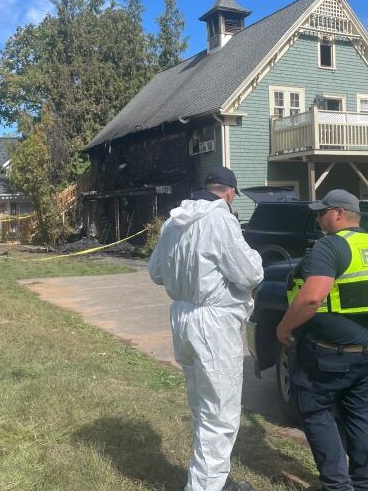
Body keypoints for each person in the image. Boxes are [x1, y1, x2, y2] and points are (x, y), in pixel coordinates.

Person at [149, 166, 264, 491]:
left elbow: (155, 271)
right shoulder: (221, 219)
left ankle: (216, 479)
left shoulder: (174, 221)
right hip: (214, 324)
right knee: (221, 416)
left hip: (184, 320)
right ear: (229, 193)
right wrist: (253, 254)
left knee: (203, 406)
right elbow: (250, 274)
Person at [277, 189, 368, 491]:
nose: (318, 218)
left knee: (316, 412)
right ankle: (366, 485)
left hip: (330, 356)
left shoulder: (330, 246)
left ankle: (337, 486)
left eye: (322, 212)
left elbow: (311, 298)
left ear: (339, 213)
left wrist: (283, 328)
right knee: (360, 415)